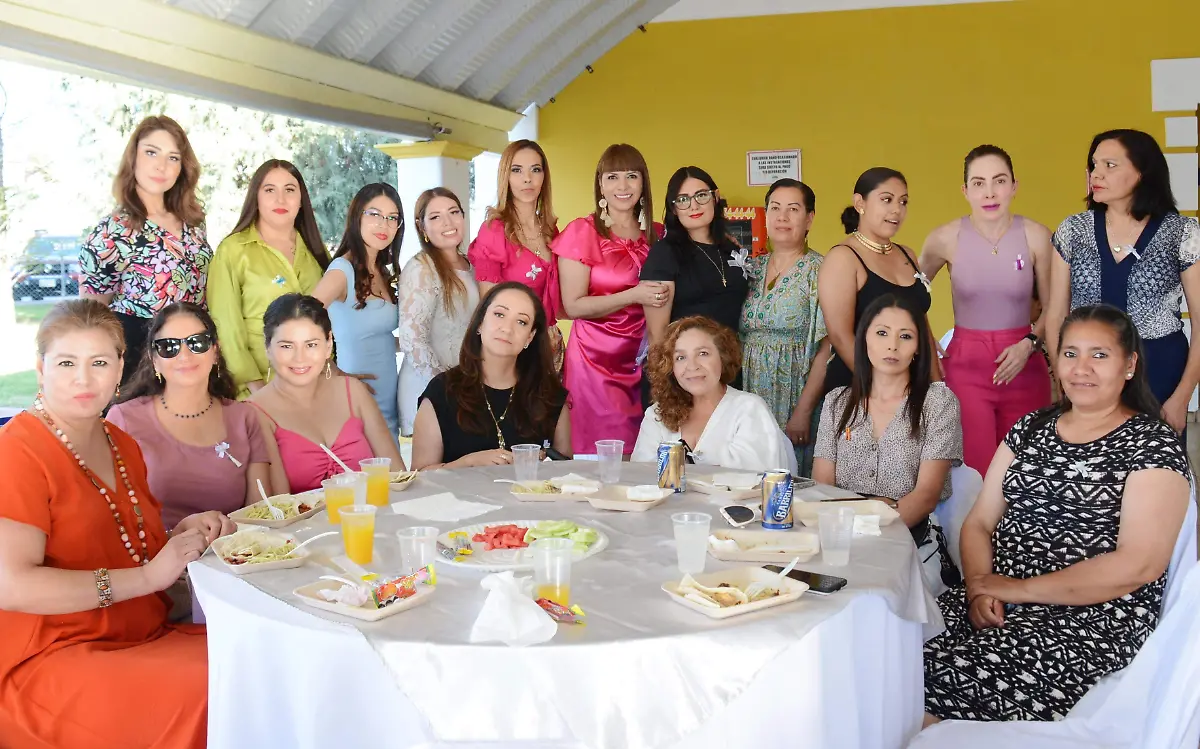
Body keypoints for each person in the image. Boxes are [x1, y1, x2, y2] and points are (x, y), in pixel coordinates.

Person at [923, 305, 1191, 724]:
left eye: (1099, 355)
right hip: (995, 598)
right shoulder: (1031, 427)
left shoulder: (1151, 443)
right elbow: (979, 522)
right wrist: (979, 587)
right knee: (889, 660)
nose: (1081, 368)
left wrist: (1021, 589)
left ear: (1129, 364)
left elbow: (1140, 563)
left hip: (1087, 619)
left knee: (935, 689)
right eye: (1070, 354)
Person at [0, 299, 235, 749]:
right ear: (40, 367)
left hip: (140, 630)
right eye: (66, 362)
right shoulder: (17, 451)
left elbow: (121, 544)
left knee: (257, 656)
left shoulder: (120, 442)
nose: (84, 379)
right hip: (51, 657)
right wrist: (150, 575)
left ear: (122, 365)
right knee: (213, 685)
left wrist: (179, 537)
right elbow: (13, 586)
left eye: (100, 362)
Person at [1046, 129, 1200, 433]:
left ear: (1142, 172)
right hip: (1088, 371)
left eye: (1110, 165)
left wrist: (1182, 397)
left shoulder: (1181, 233)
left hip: (1159, 371)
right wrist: (1064, 379)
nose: (1096, 174)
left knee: (1154, 472)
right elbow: (1055, 315)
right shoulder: (1073, 231)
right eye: (1094, 165)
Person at [813, 294, 962, 592]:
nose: (892, 345)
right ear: (863, 338)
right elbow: (823, 488)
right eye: (881, 333)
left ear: (919, 347)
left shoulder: (938, 403)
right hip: (840, 543)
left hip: (908, 541)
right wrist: (860, 522)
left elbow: (925, 496)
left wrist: (867, 525)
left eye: (905, 336)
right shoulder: (837, 402)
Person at [919, 145, 1054, 474]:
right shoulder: (944, 238)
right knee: (974, 471)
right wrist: (926, 339)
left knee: (1027, 470)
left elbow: (1054, 307)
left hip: (1024, 362)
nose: (990, 192)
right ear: (965, 190)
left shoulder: (1037, 236)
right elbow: (911, 295)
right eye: (978, 183)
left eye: (999, 181)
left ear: (1014, 185)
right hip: (966, 367)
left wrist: (1030, 344)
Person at [106, 302, 272, 528]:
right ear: (154, 359)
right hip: (156, 559)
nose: (184, 355)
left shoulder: (244, 417)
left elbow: (260, 515)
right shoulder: (124, 419)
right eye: (169, 346)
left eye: (197, 343)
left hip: (232, 557)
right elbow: (111, 517)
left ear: (215, 351)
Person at [79, 115, 210, 385]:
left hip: (195, 350)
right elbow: (91, 316)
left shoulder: (194, 222)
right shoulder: (112, 231)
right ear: (134, 158)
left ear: (181, 168)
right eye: (152, 152)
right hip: (140, 361)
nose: (161, 166)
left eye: (173, 158)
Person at [553, 143, 666, 456]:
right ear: (600, 184)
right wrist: (634, 294)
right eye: (613, 177)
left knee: (645, 455)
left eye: (632, 176)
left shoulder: (658, 234)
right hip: (594, 361)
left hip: (644, 360)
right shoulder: (582, 232)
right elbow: (573, 305)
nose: (623, 186)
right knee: (600, 458)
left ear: (643, 183)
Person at [249, 294, 405, 494]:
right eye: (287, 346)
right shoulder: (255, 413)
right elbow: (280, 507)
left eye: (311, 344)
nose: (300, 358)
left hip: (372, 520)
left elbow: (396, 474)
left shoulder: (353, 391)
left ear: (328, 344)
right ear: (268, 348)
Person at [412, 282, 570, 469]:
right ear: (480, 322)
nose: (507, 328)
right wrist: (468, 463)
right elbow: (420, 475)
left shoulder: (550, 395)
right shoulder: (442, 390)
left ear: (530, 337)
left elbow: (566, 474)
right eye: (499, 314)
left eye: (521, 322)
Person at [208, 159, 330, 399]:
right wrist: (259, 391)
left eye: (290, 190)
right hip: (257, 392)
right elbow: (226, 328)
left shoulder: (315, 252)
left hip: (315, 389)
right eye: (270, 190)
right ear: (256, 197)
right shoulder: (233, 250)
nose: (280, 199)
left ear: (301, 200)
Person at [819, 167, 937, 396]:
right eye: (887, 199)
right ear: (860, 203)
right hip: (860, 390)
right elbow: (841, 337)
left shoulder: (907, 255)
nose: (897, 210)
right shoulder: (843, 258)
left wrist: (936, 385)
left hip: (912, 387)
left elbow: (922, 323)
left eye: (903, 202)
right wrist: (883, 390)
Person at [740, 178, 831, 476]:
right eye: (775, 208)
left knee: (791, 481)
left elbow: (825, 349)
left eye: (793, 209)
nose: (782, 217)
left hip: (796, 393)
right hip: (750, 392)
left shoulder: (821, 270)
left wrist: (803, 411)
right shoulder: (750, 268)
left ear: (809, 218)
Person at [639, 165, 750, 406]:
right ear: (673, 208)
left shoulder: (731, 249)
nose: (694, 205)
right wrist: (664, 391)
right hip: (684, 376)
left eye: (701, 195)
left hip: (728, 372)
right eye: (683, 199)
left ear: (715, 197)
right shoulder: (664, 254)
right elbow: (657, 336)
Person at [632, 316, 795, 473]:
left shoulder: (750, 409)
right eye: (680, 357)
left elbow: (756, 478)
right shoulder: (656, 414)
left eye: (703, 353)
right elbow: (640, 476)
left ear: (723, 357)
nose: (692, 366)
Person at [312, 183, 403, 441]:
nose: (383, 225)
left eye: (392, 218)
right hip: (356, 401)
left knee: (391, 479)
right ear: (357, 217)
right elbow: (302, 320)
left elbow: (376, 337)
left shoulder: (382, 273)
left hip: (389, 403)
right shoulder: (342, 269)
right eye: (374, 214)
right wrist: (332, 371)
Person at [467, 140, 565, 369]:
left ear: (544, 177)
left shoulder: (551, 230)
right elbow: (488, 306)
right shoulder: (494, 230)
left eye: (535, 169)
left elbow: (560, 301)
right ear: (506, 177)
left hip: (552, 346)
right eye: (517, 170)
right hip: (513, 348)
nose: (527, 179)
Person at [397, 187, 480, 436]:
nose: (448, 222)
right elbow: (413, 341)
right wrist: (448, 389)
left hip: (467, 389)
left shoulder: (473, 265)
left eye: (454, 212)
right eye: (435, 217)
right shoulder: (421, 267)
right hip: (432, 390)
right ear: (422, 227)